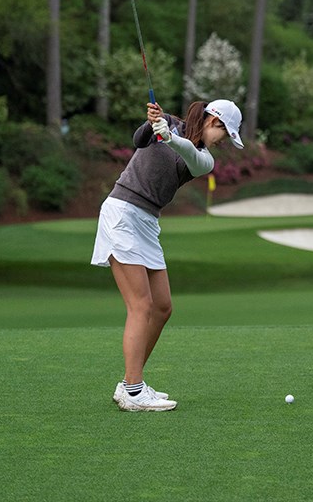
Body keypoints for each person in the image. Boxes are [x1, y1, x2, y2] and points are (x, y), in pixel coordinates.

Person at [91, 98, 244, 411]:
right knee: (141, 305)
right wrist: (152, 123)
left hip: (147, 221)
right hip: (123, 213)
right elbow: (138, 141)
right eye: (224, 134)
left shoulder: (205, 159)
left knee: (162, 307)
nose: (222, 141)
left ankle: (129, 382)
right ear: (213, 121)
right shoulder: (168, 122)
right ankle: (134, 391)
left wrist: (170, 137)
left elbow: (187, 152)